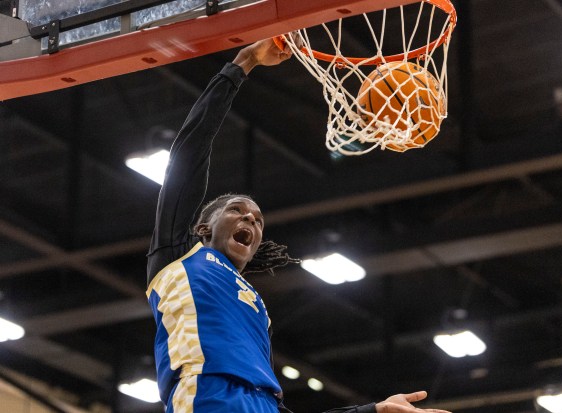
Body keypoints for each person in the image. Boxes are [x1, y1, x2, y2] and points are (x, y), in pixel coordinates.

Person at [145, 38, 452, 413]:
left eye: (257, 220)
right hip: (208, 399)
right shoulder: (178, 256)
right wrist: (242, 64)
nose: (250, 220)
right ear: (203, 228)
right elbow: (190, 152)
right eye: (238, 211)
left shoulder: (254, 304)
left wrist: (375, 410)